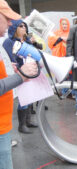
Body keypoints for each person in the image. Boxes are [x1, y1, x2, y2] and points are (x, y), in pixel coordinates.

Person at [0, 1, 38, 168]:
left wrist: (13, 70)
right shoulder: (7, 42)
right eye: (7, 18)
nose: (10, 23)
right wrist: (21, 76)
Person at [3, 19, 40, 134]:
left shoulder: (27, 41)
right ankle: (22, 125)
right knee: (23, 99)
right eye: (20, 26)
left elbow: (39, 50)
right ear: (14, 28)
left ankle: (27, 121)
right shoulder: (9, 42)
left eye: (24, 26)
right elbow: (10, 59)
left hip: (30, 72)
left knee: (29, 98)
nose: (24, 28)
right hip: (20, 73)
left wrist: (33, 43)